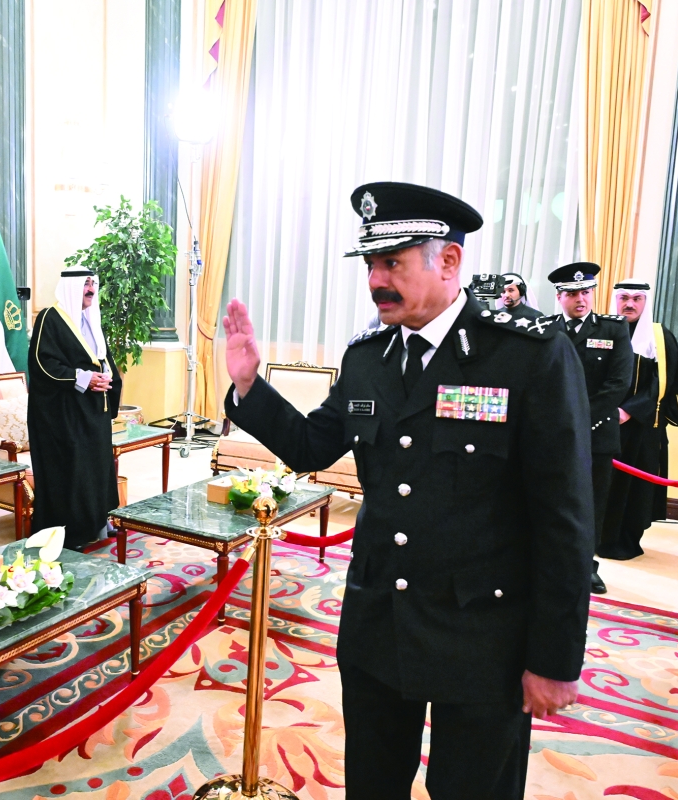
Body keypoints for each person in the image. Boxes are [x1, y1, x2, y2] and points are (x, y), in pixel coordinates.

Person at [222, 182, 594, 800]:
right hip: (378, 623)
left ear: (448, 261)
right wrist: (249, 386)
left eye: (392, 263)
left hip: (482, 633)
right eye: (370, 264)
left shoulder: (527, 353)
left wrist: (554, 658)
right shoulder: (368, 356)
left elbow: (564, 516)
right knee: (373, 783)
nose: (376, 280)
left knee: (471, 790)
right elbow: (313, 446)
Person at [543, 263, 632, 595]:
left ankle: (585, 566)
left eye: (586, 292)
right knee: (550, 499)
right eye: (572, 294)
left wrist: (577, 419)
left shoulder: (613, 329)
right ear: (559, 297)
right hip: (550, 433)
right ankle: (549, 561)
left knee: (591, 504)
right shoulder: (545, 329)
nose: (580, 299)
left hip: (596, 433)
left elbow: (618, 383)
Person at [27, 268, 122, 549]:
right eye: (85, 284)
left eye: (93, 283)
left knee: (97, 467)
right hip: (62, 415)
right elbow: (43, 364)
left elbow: (101, 359)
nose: (91, 289)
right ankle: (71, 533)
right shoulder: (50, 318)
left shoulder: (91, 319)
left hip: (93, 411)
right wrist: (84, 378)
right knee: (72, 471)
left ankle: (98, 522)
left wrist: (108, 379)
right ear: (71, 287)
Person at [599, 279, 678, 560]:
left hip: (642, 427)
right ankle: (597, 538)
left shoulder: (659, 336)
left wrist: (630, 410)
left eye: (636, 298)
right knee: (603, 483)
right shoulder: (602, 330)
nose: (629, 304)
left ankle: (626, 540)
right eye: (624, 298)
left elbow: (666, 381)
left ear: (645, 302)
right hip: (603, 424)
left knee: (634, 487)